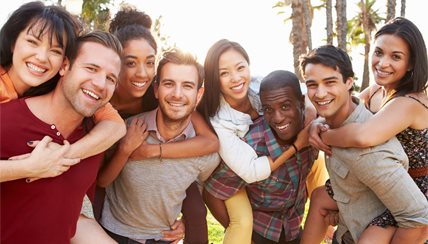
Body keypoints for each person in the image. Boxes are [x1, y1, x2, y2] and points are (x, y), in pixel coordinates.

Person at [87, 7, 219, 244]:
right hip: (108, 169)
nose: (142, 73)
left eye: (149, 62)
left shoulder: (154, 94)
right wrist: (127, 149)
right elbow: (103, 179)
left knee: (196, 211)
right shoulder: (101, 94)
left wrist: (151, 151)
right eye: (130, 62)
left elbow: (208, 140)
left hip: (156, 175)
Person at [306, 17, 428, 243]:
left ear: (411, 64)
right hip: (377, 183)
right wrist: (316, 123)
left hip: (413, 189)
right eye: (379, 52)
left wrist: (323, 137)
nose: (382, 63)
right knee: (320, 198)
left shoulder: (410, 101)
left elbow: (363, 136)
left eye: (396, 57)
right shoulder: (375, 91)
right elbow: (342, 108)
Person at [0, 31, 122, 243]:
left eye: (111, 78)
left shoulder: (94, 140)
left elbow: (70, 218)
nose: (101, 83)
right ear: (64, 66)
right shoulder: (6, 120)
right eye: (91, 68)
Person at [197, 39, 321, 244]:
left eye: (240, 68)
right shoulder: (218, 120)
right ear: (214, 78)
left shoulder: (259, 84)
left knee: (318, 168)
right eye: (224, 73)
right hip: (240, 170)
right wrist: (298, 144)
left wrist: (309, 115)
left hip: (275, 182)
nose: (236, 78)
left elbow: (303, 91)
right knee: (243, 223)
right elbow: (250, 171)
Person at [0, 1, 125, 182]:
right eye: (32, 42)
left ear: (64, 63)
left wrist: (62, 156)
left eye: (55, 51)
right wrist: (28, 167)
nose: (42, 57)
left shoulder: (59, 86)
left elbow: (116, 127)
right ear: (13, 42)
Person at [245, 70, 317, 243]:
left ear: (301, 102)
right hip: (259, 233)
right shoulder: (252, 145)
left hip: (293, 229)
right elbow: (215, 191)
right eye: (268, 109)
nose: (277, 118)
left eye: (285, 106)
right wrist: (241, 234)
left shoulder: (315, 126)